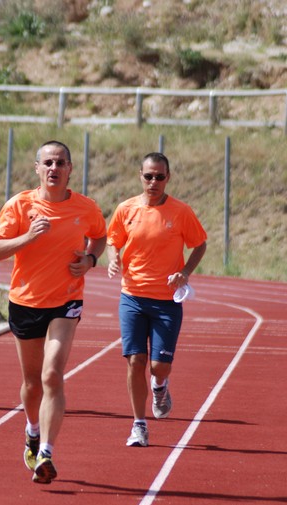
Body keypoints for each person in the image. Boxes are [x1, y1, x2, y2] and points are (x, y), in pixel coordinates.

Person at [0, 140, 107, 484]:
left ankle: (46, 454)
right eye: (48, 163)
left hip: (66, 301)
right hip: (25, 301)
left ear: (70, 169)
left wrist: (91, 259)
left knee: (52, 375)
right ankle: (32, 430)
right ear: (37, 168)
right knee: (31, 383)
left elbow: (99, 236)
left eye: (61, 163)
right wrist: (27, 238)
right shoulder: (20, 205)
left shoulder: (86, 207)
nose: (54, 169)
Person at [107, 152, 207, 447]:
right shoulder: (126, 209)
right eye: (148, 176)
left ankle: (160, 386)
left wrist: (185, 272)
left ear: (168, 178)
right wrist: (113, 260)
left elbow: (199, 244)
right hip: (132, 298)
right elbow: (114, 240)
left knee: (157, 367)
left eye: (159, 177)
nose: (153, 182)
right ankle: (139, 425)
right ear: (140, 175)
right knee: (135, 360)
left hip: (166, 301)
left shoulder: (180, 211)